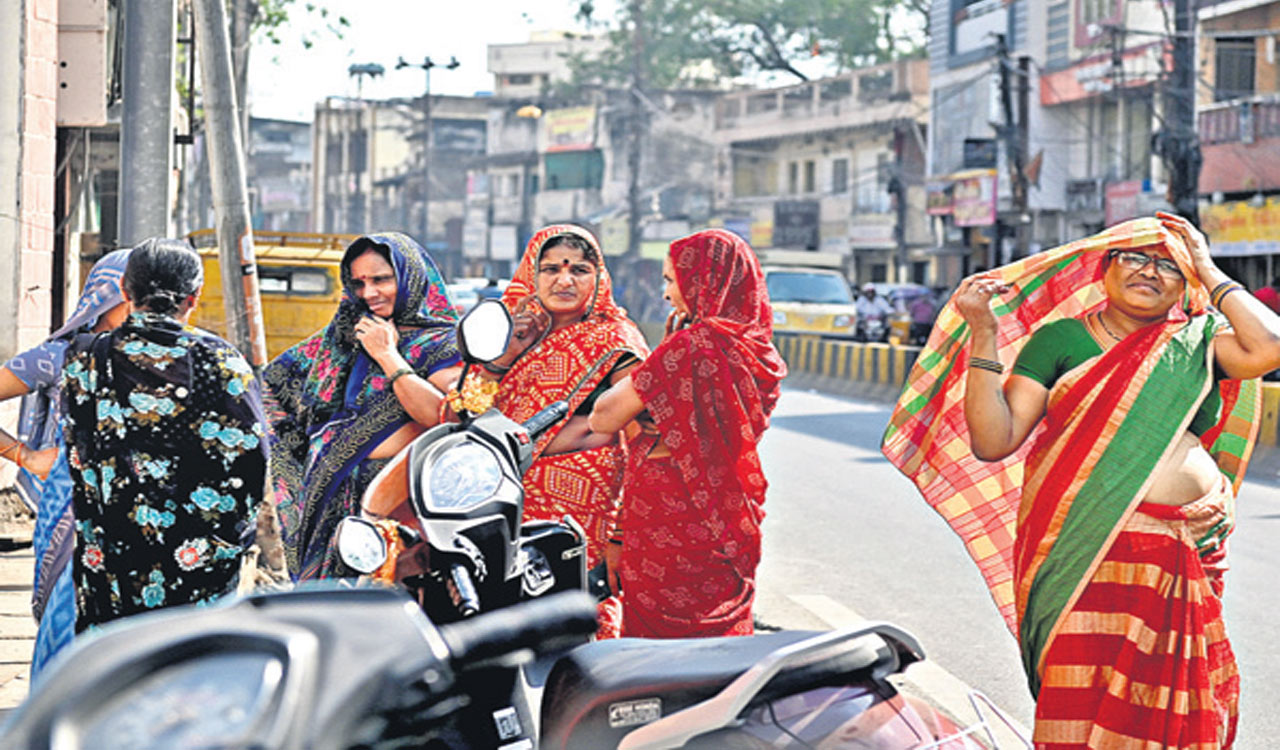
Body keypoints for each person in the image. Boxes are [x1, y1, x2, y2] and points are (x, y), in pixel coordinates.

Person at [882, 214, 1280, 749]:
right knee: (1081, 688)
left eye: (1168, 265)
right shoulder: (1061, 341)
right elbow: (994, 440)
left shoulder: (1200, 340)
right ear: (1103, 269)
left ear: (1186, 285)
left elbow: (1271, 347)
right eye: (1135, 258)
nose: (1150, 271)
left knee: (1178, 698)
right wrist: (984, 334)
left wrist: (1207, 266)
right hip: (1082, 546)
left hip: (1186, 548)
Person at [60, 239, 268, 631]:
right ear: (194, 297)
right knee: (187, 671)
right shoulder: (222, 360)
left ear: (125, 292)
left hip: (110, 559)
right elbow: (251, 461)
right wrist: (229, 541)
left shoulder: (84, 356)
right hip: (196, 564)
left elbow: (80, 450)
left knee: (118, 673)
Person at [589, 229, 787, 638]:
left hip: (670, 518)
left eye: (670, 280)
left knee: (660, 656)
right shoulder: (759, 351)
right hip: (725, 517)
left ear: (702, 281)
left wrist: (665, 361)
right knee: (718, 647)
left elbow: (603, 417)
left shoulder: (694, 346)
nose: (666, 294)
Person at [478, 225, 648, 638]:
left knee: (577, 615)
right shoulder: (510, 332)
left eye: (580, 270)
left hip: (581, 512)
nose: (564, 281)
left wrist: (621, 534)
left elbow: (644, 439)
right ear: (531, 276)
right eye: (551, 269)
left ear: (599, 277)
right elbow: (467, 410)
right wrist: (506, 356)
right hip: (500, 499)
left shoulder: (616, 340)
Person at [264, 232, 462, 581]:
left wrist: (388, 356)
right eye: (359, 283)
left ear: (410, 275)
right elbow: (271, 386)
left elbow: (444, 415)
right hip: (329, 500)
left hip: (393, 509)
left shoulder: (444, 343)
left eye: (382, 279)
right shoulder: (346, 335)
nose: (369, 293)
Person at [0, 250, 131, 674]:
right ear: (108, 297)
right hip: (68, 509)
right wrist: (26, 457)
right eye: (135, 294)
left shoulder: (169, 357)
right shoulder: (61, 356)